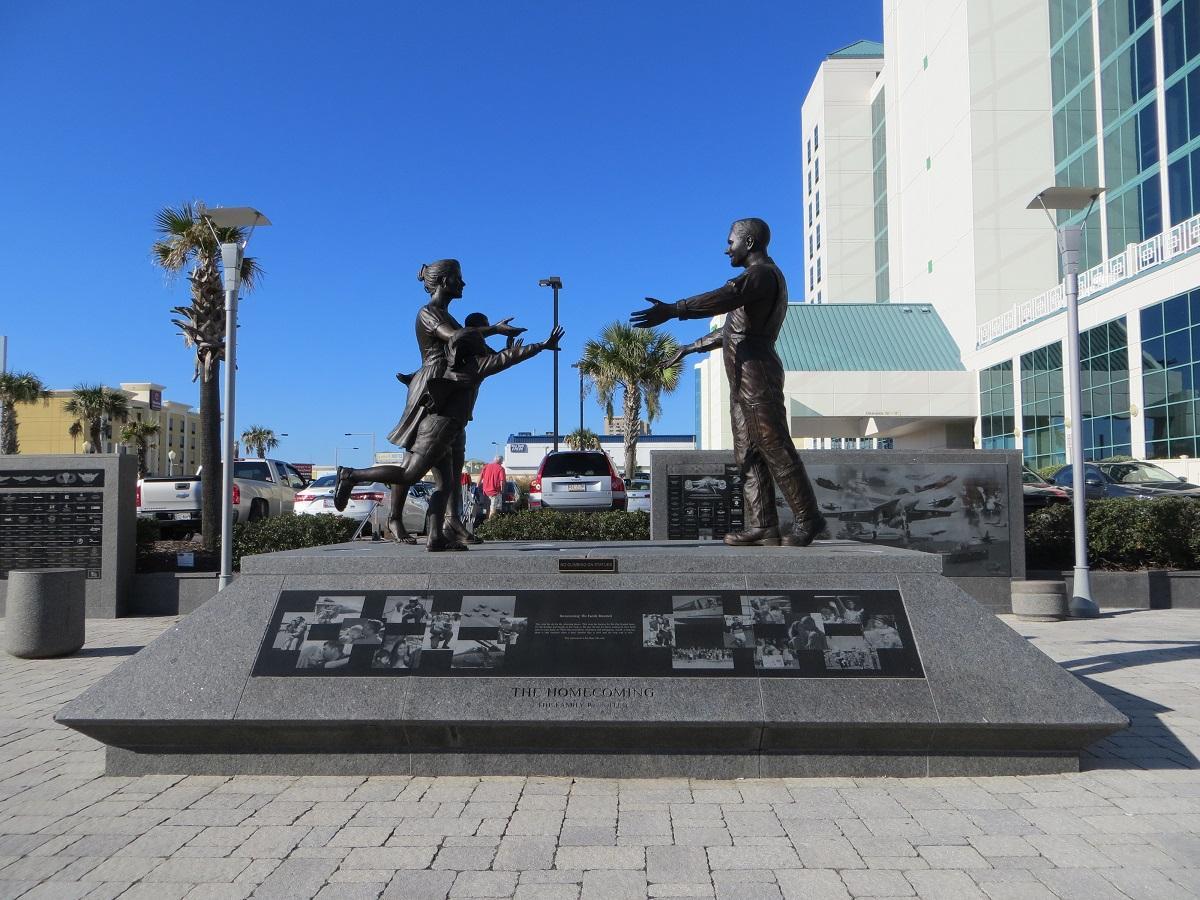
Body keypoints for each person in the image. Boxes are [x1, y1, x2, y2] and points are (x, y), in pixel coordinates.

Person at [335, 260, 561, 551]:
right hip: (435, 389)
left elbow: (475, 346)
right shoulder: (428, 313)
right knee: (411, 469)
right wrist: (498, 332)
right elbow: (456, 339)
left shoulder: (449, 319)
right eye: (458, 279)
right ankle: (353, 477)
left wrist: (497, 337)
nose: (463, 284)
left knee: (446, 478)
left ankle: (438, 534)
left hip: (448, 394)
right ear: (443, 281)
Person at [630, 218, 825, 547]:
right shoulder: (756, 281)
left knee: (774, 447)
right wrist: (689, 348)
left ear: (748, 243)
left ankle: (809, 518)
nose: (726, 248)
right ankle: (764, 524)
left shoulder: (760, 276)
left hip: (757, 373)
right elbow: (731, 331)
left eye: (730, 241)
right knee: (747, 453)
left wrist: (675, 309)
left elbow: (726, 296)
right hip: (742, 378)